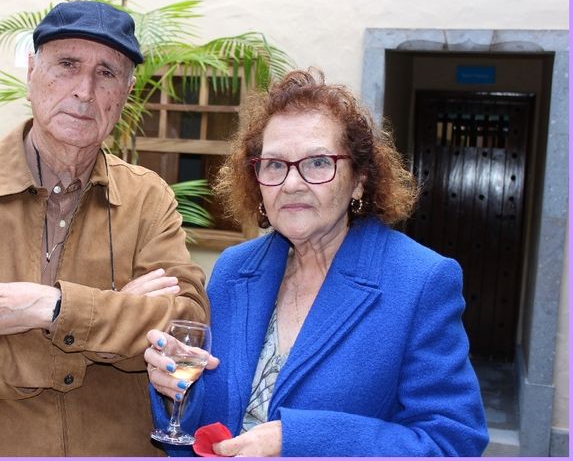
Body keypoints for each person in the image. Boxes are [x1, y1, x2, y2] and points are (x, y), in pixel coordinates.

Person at [0, 0, 208, 457]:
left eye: (107, 73)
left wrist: (51, 307)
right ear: (32, 71)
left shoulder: (147, 198)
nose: (84, 91)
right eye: (67, 65)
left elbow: (185, 325)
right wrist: (97, 333)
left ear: (126, 92)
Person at [144, 69, 490, 456]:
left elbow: (451, 443)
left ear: (359, 179)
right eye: (275, 164)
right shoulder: (234, 269)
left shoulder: (421, 281)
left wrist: (296, 441)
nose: (292, 183)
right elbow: (204, 416)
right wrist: (175, 390)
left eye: (318, 162)